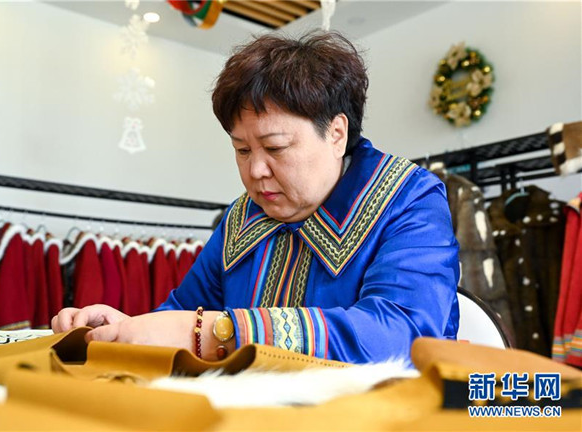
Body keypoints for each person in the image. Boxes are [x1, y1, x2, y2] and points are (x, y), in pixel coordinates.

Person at [52, 31, 460, 364]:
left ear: (337, 134)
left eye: (276, 147)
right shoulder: (245, 216)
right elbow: (183, 314)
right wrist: (124, 328)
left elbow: (402, 336)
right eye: (242, 150)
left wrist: (221, 333)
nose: (256, 170)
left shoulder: (407, 199)